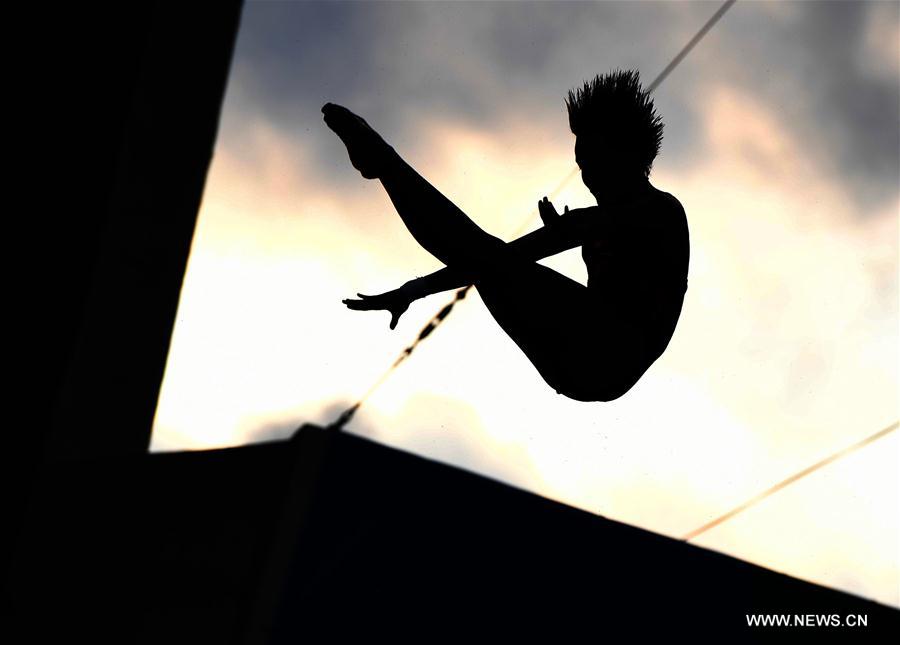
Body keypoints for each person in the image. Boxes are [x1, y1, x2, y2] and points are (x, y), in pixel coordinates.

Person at [322, 69, 689, 402]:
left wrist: (419, 288)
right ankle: (382, 164)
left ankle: (382, 162)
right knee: (486, 262)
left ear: (625, 154)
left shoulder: (660, 211)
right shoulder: (595, 219)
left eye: (594, 163)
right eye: (581, 166)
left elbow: (513, 254)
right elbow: (492, 261)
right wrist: (411, 291)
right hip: (572, 367)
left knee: (489, 258)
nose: (587, 177)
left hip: (610, 352)